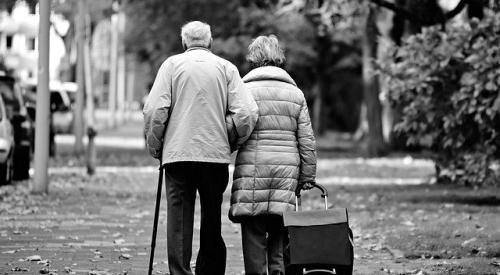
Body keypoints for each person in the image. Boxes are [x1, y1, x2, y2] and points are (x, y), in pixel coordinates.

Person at [143, 21, 258, 275]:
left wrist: (156, 146)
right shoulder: (226, 68)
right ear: (210, 42)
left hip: (177, 155)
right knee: (211, 217)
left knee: (178, 220)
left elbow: (154, 110)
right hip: (214, 155)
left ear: (184, 43)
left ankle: (180, 271)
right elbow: (247, 113)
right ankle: (210, 271)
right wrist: (230, 140)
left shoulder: (171, 66)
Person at [228, 35, 317, 275]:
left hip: (252, 170)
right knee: (279, 233)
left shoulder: (243, 91)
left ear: (254, 58)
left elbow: (235, 129)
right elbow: (306, 140)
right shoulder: (295, 94)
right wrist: (307, 176)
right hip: (285, 172)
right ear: (279, 57)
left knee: (254, 232)